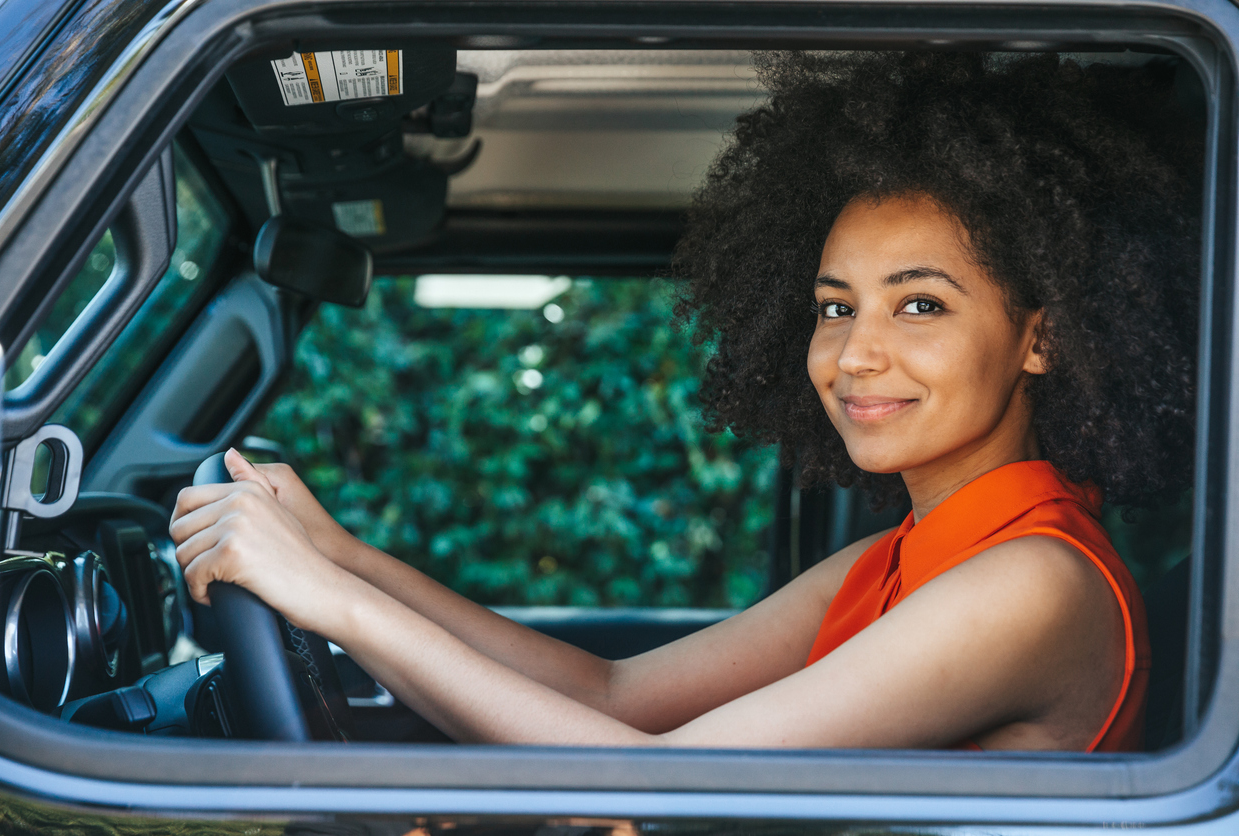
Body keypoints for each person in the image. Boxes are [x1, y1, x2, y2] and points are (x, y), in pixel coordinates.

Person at [169, 52, 1200, 751]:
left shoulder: (1034, 579)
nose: (853, 354)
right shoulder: (904, 557)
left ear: (1043, 333)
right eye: (833, 306)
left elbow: (642, 776)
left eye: (920, 302)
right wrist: (343, 554)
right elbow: (609, 697)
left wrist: (327, 599)